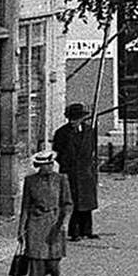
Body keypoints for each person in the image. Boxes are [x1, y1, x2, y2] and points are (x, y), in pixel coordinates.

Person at [17, 150, 72, 276]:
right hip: (35, 223)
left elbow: (67, 203)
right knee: (37, 262)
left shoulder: (61, 179)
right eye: (42, 166)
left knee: (54, 262)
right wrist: (21, 228)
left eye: (49, 165)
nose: (47, 168)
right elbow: (25, 206)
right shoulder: (30, 181)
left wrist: (64, 222)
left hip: (54, 223)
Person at [51, 102, 99, 240]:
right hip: (70, 171)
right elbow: (58, 153)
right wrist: (67, 165)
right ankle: (75, 231)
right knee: (74, 202)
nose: (73, 121)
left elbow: (92, 149)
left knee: (87, 202)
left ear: (82, 118)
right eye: (71, 118)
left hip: (86, 171)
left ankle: (87, 230)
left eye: (76, 118)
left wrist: (90, 167)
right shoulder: (62, 133)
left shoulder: (89, 131)